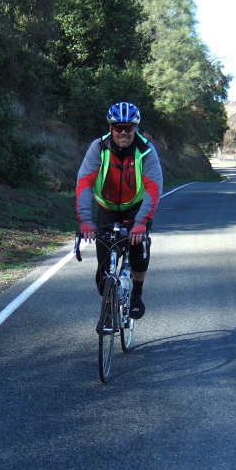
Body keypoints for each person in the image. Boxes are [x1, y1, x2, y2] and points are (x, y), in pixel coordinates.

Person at [76, 101, 163, 323]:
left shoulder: (146, 150)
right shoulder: (99, 147)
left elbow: (153, 187)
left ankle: (137, 294)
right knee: (104, 265)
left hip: (136, 208)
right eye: (118, 127)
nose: (123, 132)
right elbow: (85, 183)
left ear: (135, 128)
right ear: (110, 128)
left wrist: (142, 221)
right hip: (107, 207)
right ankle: (107, 306)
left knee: (138, 249)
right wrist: (85, 220)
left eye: (128, 127)